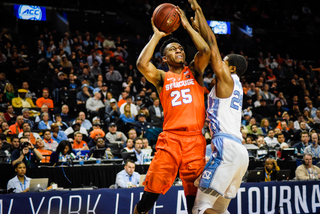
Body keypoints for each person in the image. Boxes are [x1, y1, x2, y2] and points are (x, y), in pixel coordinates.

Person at [133, 5, 211, 214]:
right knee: (150, 194)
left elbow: (205, 51)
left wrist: (187, 26)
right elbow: (142, 64)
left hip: (195, 140)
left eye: (181, 48)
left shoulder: (194, 71)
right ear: (164, 59)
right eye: (172, 49)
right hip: (170, 139)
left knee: (195, 200)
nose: (179, 50)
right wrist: (157, 35)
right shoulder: (161, 77)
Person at [187, 1, 248, 214]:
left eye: (223, 61)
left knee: (200, 208)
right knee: (219, 210)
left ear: (231, 67)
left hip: (226, 149)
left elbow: (212, 44)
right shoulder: (235, 86)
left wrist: (199, 12)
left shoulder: (228, 79)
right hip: (239, 152)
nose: (218, 62)